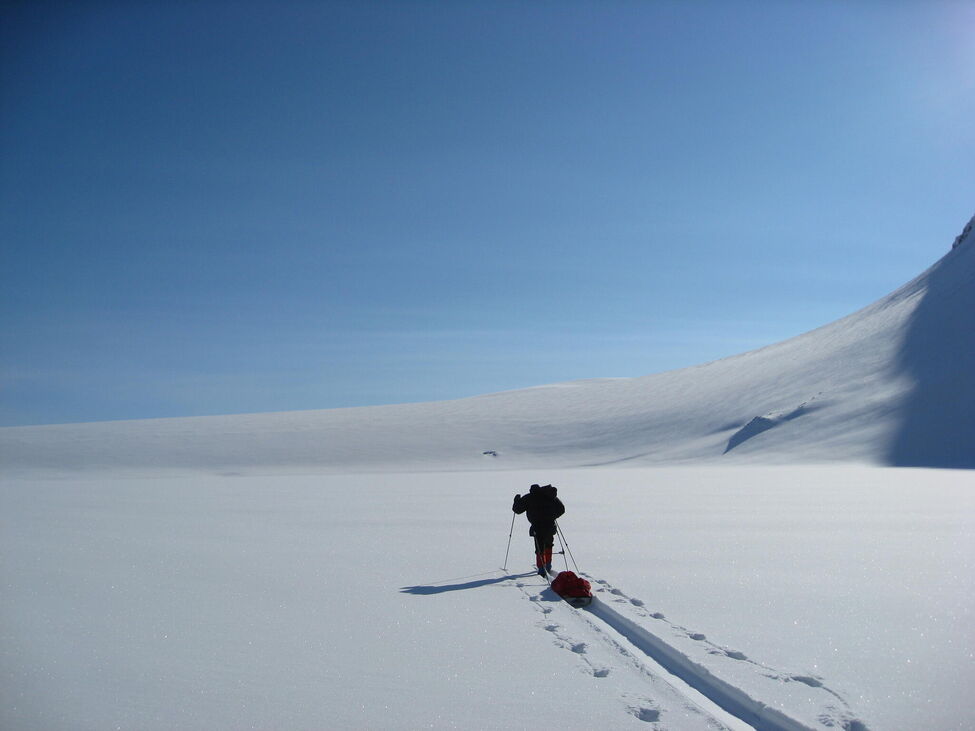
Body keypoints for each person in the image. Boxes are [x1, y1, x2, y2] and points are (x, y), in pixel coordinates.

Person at [512, 484, 565, 577]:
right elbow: (561, 509)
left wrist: (516, 500)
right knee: (549, 544)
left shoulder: (530, 497)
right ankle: (548, 566)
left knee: (540, 548)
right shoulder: (549, 495)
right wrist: (552, 517)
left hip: (537, 526)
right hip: (550, 525)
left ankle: (542, 569)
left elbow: (517, 509)